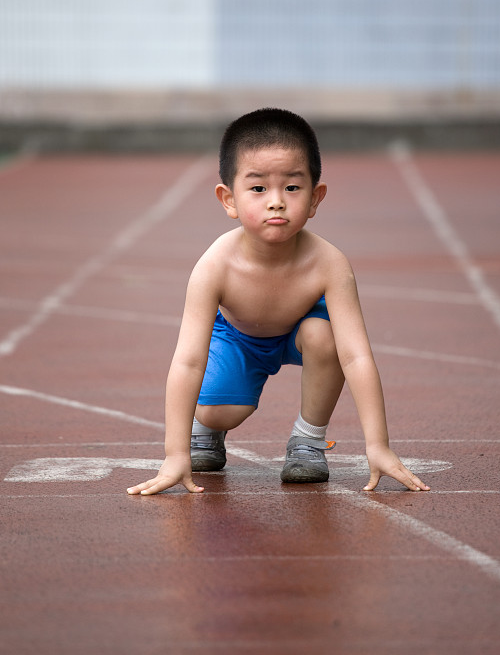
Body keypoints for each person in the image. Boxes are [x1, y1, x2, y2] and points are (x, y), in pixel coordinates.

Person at [127, 108, 430, 496]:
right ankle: (205, 431)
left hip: (300, 331)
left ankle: (307, 440)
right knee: (220, 411)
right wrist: (174, 453)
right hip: (239, 336)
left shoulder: (329, 263)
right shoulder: (214, 266)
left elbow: (356, 356)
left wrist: (379, 445)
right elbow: (188, 359)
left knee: (326, 336)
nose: (276, 202)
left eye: (291, 188)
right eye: (257, 189)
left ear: (316, 197)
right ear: (228, 199)